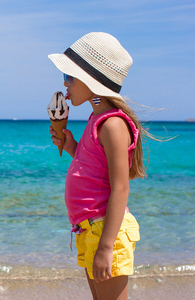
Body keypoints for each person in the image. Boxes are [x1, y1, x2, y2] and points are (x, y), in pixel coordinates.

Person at [48, 32, 146, 300]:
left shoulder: (113, 124)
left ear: (91, 80)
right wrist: (71, 148)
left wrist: (106, 247)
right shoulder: (96, 118)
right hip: (89, 229)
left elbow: (120, 188)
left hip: (106, 230)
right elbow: (95, 170)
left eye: (69, 77)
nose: (65, 85)